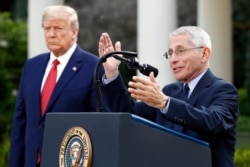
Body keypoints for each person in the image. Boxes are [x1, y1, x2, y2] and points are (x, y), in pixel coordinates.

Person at [98, 26, 239, 167]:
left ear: (204, 54)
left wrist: (166, 103)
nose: (173, 59)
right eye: (170, 53)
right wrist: (112, 74)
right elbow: (128, 113)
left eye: (180, 51)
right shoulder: (170, 91)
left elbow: (213, 121)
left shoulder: (223, 90)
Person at [9, 5, 107, 167]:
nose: (51, 34)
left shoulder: (93, 66)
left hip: (69, 161)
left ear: (74, 32)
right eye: (47, 29)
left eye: (58, 28)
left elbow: (99, 123)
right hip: (31, 161)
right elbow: (21, 122)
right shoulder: (32, 66)